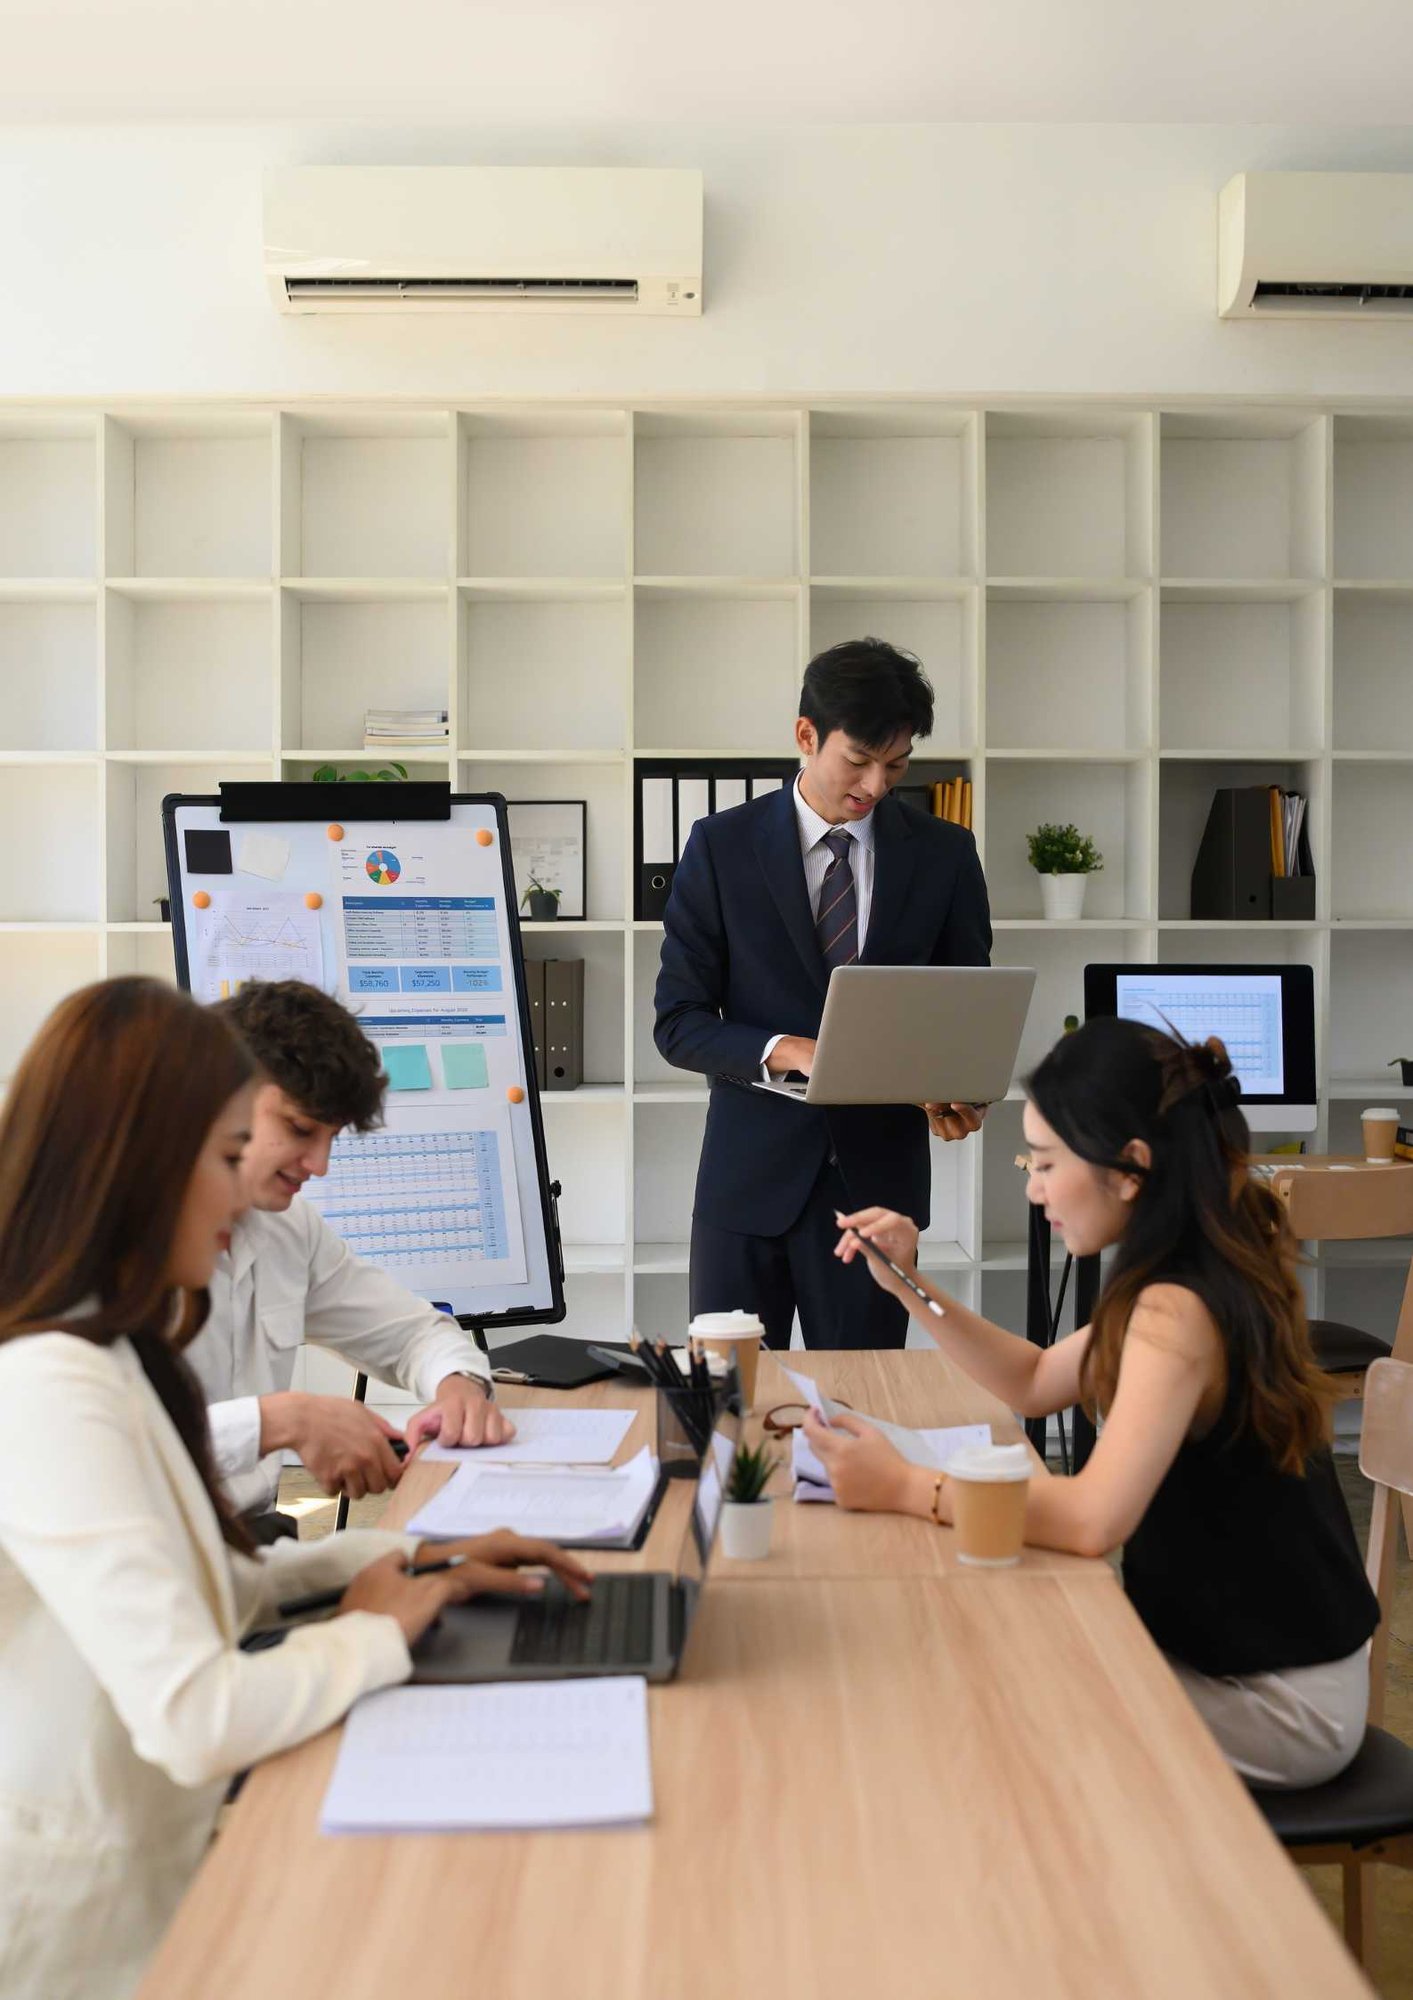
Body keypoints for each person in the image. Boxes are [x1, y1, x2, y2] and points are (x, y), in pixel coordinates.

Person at [0, 977, 589, 2000]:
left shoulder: (117, 1347)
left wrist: (418, 1560)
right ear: (143, 1162)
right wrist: (374, 1627)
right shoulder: (54, 1379)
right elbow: (195, 1710)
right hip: (83, 1908)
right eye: (231, 1156)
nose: (252, 1193)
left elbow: (219, 1581)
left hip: (160, 1840)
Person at [806, 1018, 1380, 1789]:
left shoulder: (1176, 1309)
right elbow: (1037, 1378)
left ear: (1129, 1169)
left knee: (963, 1708)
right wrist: (907, 1282)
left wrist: (903, 1486)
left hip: (1271, 1701)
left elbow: (1089, 1522)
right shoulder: (1179, 1268)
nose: (1032, 1188)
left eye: (1044, 1163)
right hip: (1233, 1656)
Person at [654, 637, 993, 1351]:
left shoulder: (945, 855)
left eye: (895, 765)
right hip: (745, 1187)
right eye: (858, 760)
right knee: (733, 1413)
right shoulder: (719, 846)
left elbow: (963, 1014)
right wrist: (797, 1052)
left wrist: (958, 1088)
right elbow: (679, 1023)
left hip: (878, 1191)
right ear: (805, 735)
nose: (874, 785)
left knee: (864, 1408)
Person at [184, 980, 510, 1536]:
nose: (320, 1164)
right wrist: (283, 1422)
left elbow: (411, 1333)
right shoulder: (107, 1235)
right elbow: (94, 1444)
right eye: (299, 1129)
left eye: (331, 1137)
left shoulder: (287, 1227)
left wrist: (458, 1386)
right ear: (221, 1097)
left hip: (253, 1542)